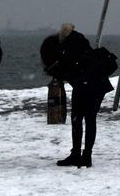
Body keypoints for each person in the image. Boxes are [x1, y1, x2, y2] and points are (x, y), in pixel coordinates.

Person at [40, 24, 113, 168]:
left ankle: (83, 156)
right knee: (82, 119)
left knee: (82, 119)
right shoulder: (74, 43)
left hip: (90, 84)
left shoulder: (68, 50)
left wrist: (56, 72)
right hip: (91, 83)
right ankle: (81, 155)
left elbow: (66, 68)